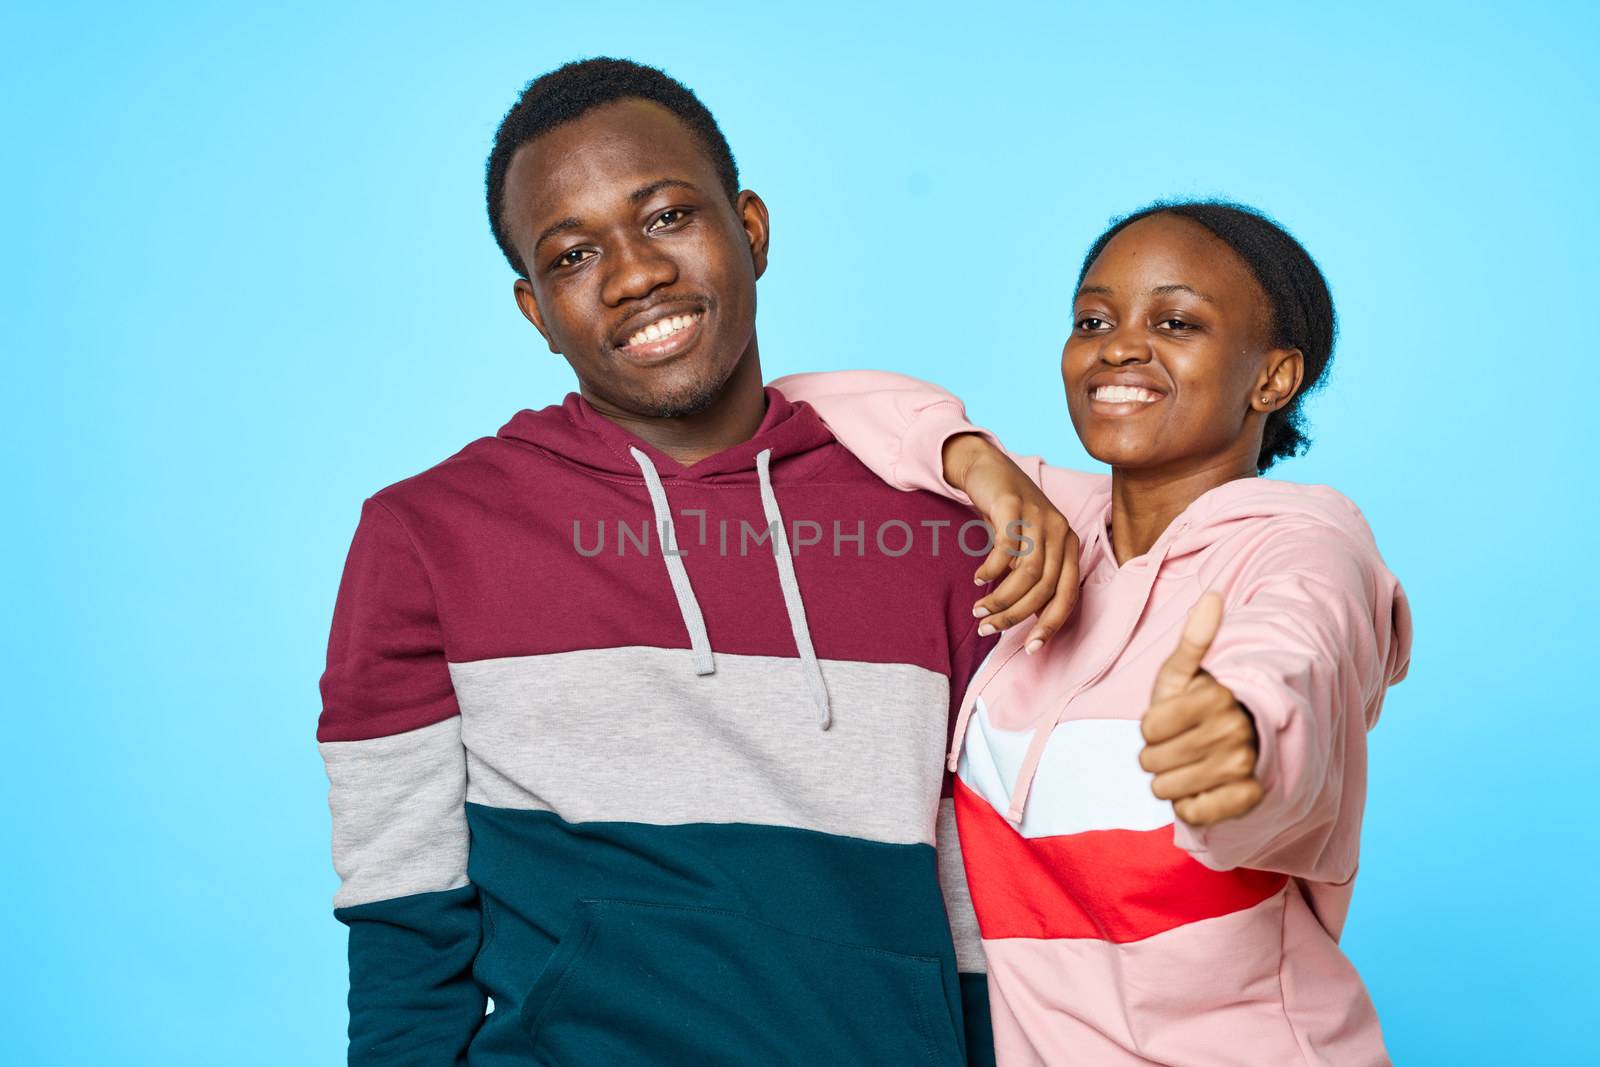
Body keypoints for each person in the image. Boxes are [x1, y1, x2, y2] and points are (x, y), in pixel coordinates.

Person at [314, 57, 1064, 1066]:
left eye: (665, 216)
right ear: (535, 310)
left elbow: (986, 910)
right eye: (574, 255)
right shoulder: (427, 536)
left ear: (749, 228)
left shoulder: (937, 528)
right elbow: (401, 914)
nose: (634, 274)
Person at [774, 200, 1413, 1065]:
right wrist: (978, 462)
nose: (1119, 345)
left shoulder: (1301, 537)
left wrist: (1241, 729)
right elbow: (799, 405)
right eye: (1094, 319)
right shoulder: (1054, 522)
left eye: (1176, 321)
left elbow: (1301, 639)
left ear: (1273, 379)